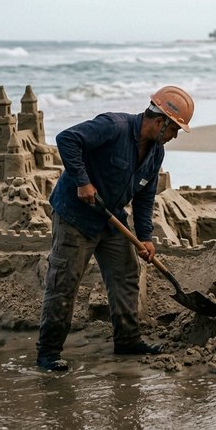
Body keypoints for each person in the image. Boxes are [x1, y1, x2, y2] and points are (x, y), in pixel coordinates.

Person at [36, 86, 195, 371]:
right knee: (64, 283)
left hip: (111, 219)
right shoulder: (113, 126)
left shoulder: (155, 153)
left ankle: (127, 341)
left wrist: (145, 238)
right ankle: (48, 353)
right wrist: (83, 182)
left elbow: (145, 196)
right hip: (76, 217)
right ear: (160, 122)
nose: (174, 136)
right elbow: (67, 139)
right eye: (175, 130)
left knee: (126, 275)